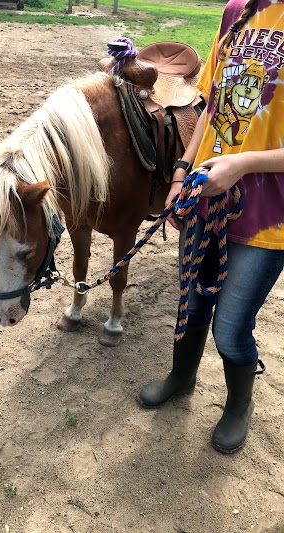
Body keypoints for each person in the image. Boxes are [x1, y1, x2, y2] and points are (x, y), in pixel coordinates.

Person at [138, 0, 284, 454]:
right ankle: (182, 377)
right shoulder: (237, 11)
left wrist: (241, 165)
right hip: (206, 194)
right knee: (192, 303)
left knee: (231, 327)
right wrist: (182, 169)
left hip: (268, 217)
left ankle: (239, 404)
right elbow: (212, 107)